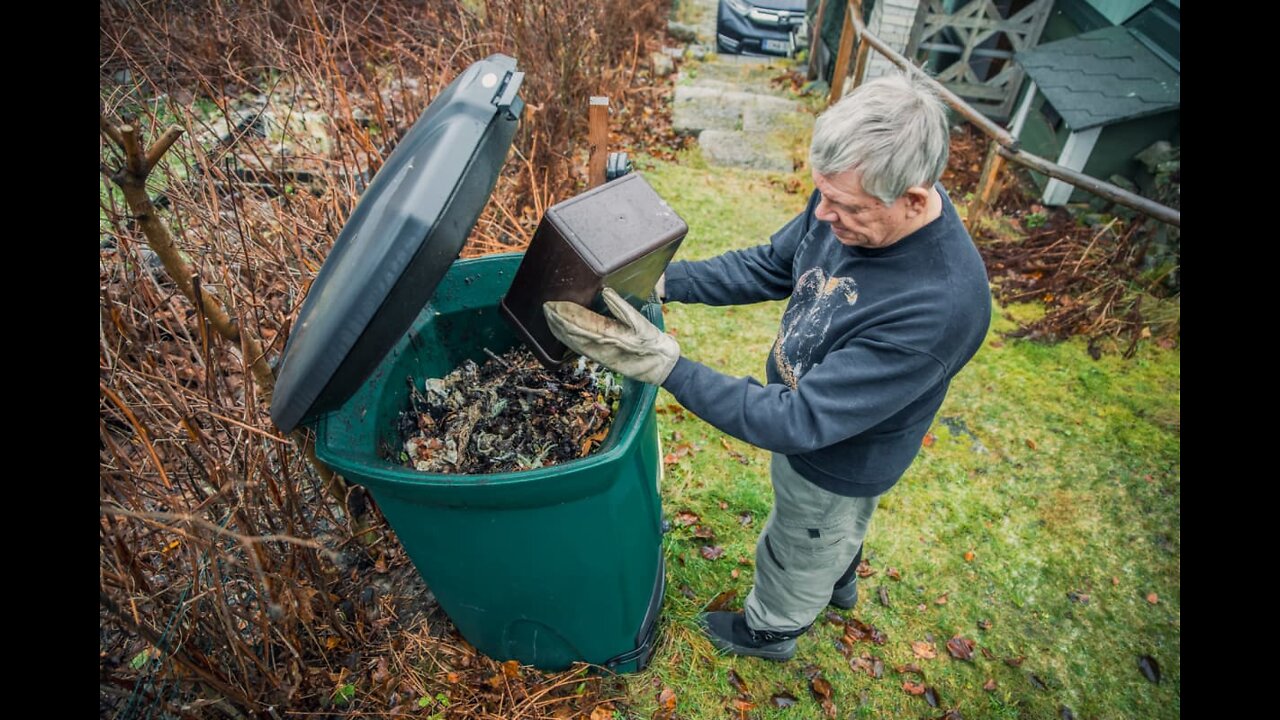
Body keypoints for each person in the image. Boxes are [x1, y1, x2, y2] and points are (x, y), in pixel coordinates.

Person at [543, 70, 992, 661]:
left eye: (844, 206)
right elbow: (772, 265)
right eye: (821, 194)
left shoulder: (940, 305)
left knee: (802, 536)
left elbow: (798, 423)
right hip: (813, 419)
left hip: (841, 456)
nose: (824, 214)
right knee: (828, 531)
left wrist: (665, 365)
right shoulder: (851, 192)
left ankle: (773, 629)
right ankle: (840, 576)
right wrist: (659, 281)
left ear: (914, 196)